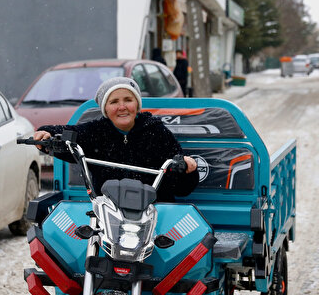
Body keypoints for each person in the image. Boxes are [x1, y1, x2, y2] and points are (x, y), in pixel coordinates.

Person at [32, 77, 199, 202]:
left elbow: (181, 186)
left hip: (155, 210)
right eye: (114, 102)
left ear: (137, 104)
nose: (122, 107)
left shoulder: (156, 132)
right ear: (105, 108)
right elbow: (68, 134)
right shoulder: (96, 132)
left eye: (128, 100)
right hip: (108, 213)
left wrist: (188, 171)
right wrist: (46, 134)